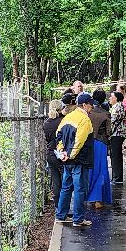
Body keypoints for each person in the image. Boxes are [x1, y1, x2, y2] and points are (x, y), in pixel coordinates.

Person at [54, 92, 96, 227]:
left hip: (67, 159)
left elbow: (58, 135)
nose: (92, 107)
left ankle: (61, 215)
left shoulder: (68, 117)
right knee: (80, 189)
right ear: (84, 105)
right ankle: (78, 219)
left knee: (66, 187)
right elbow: (80, 140)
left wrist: (62, 152)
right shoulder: (85, 120)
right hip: (80, 160)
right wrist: (71, 154)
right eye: (90, 104)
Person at [86, 88, 113, 209]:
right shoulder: (106, 114)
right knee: (101, 170)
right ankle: (98, 199)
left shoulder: (88, 113)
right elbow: (109, 132)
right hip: (101, 143)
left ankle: (87, 196)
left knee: (89, 169)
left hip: (89, 142)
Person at [42, 95, 69, 204]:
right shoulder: (63, 121)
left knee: (56, 182)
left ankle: (58, 206)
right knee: (65, 181)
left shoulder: (46, 122)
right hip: (61, 153)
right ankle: (64, 206)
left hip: (50, 153)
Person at [109, 89, 126, 187]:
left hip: (117, 134)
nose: (110, 98)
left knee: (116, 156)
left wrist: (108, 133)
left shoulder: (118, 107)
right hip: (117, 134)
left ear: (116, 98)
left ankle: (117, 177)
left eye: (112, 97)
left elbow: (113, 121)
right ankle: (116, 176)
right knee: (115, 155)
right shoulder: (116, 106)